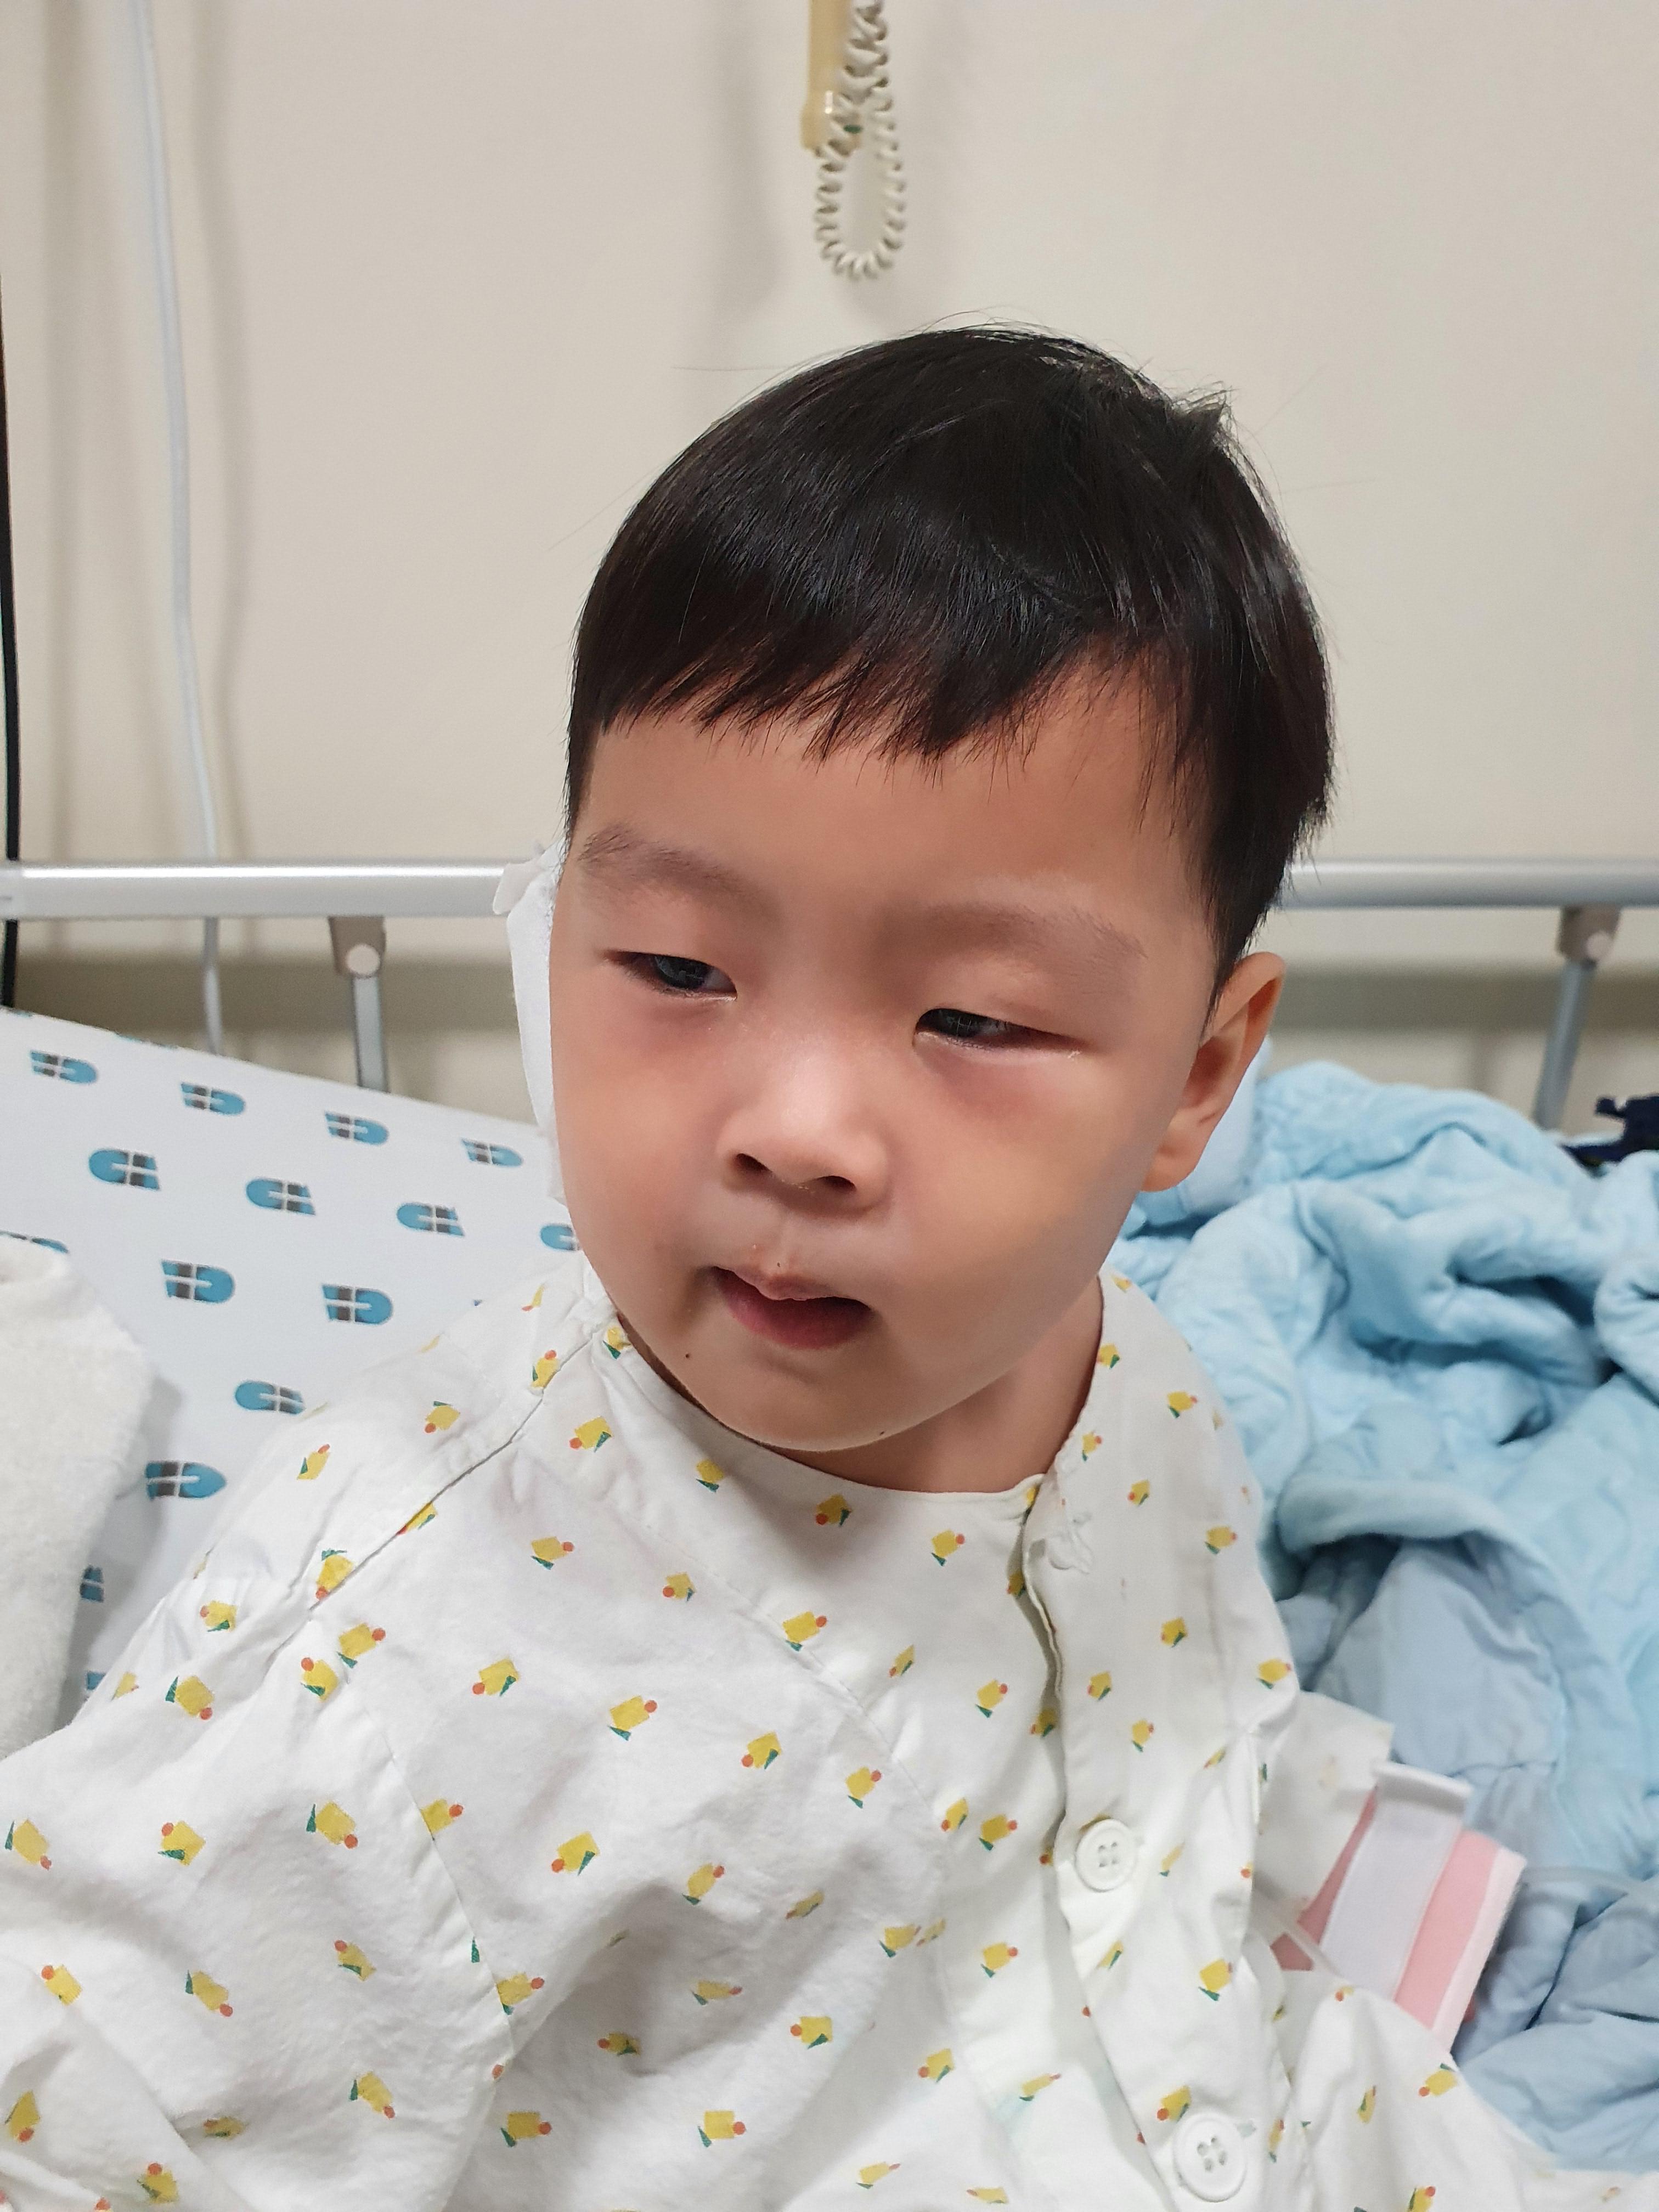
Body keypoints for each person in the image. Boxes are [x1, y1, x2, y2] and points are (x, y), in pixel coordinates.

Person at [0, 329, 1645, 2211]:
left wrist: (1307, 1835)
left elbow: (1169, 1708)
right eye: (678, 970)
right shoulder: (407, 1659)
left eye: (973, 1018)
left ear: (1196, 1083)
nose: (796, 1130)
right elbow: (82, 2115)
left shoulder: (1130, 1375)